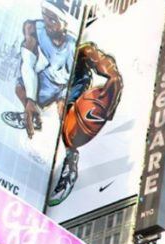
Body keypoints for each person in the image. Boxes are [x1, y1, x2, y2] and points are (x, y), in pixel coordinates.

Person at [47, 39, 123, 205]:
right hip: (51, 86)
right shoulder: (42, 45)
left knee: (68, 125)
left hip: (73, 90)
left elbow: (110, 71)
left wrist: (111, 92)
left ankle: (70, 161)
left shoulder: (80, 52)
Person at [2, 3, 79, 139]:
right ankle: (33, 116)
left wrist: (64, 96)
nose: (47, 23)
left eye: (53, 20)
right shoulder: (33, 28)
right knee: (20, 87)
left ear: (66, 23)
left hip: (64, 83)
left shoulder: (74, 46)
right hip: (48, 78)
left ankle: (68, 147)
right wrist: (30, 99)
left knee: (64, 113)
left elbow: (77, 79)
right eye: (45, 15)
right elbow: (28, 64)